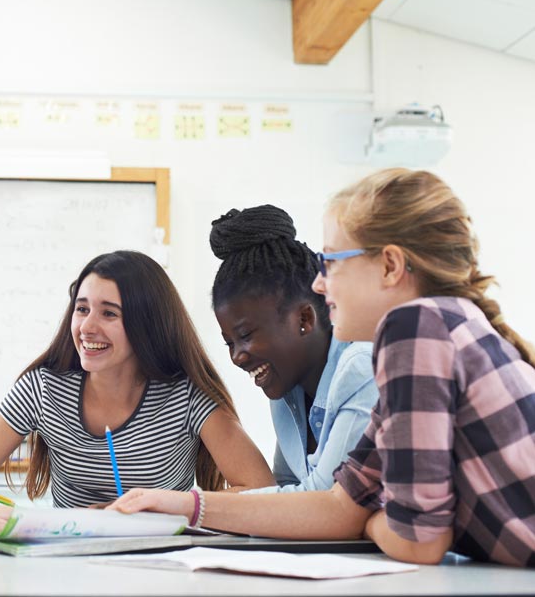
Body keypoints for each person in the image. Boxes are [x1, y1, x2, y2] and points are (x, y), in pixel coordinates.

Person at [109, 169, 535, 567]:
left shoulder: (415, 328)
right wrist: (186, 504)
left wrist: (369, 523)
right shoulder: (436, 330)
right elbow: (339, 504)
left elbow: (418, 540)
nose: (318, 283)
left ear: (389, 266)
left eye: (331, 262)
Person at [0, 250, 274, 508]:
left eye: (109, 313)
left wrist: (161, 506)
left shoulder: (186, 395)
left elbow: (261, 492)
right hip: (69, 568)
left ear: (147, 324)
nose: (87, 327)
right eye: (82, 309)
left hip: (162, 569)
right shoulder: (42, 389)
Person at [209, 204, 377, 492]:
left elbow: (323, 500)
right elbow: (287, 484)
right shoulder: (285, 392)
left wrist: (195, 506)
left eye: (246, 335)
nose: (237, 356)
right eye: (229, 342)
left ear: (304, 319)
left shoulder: (363, 368)